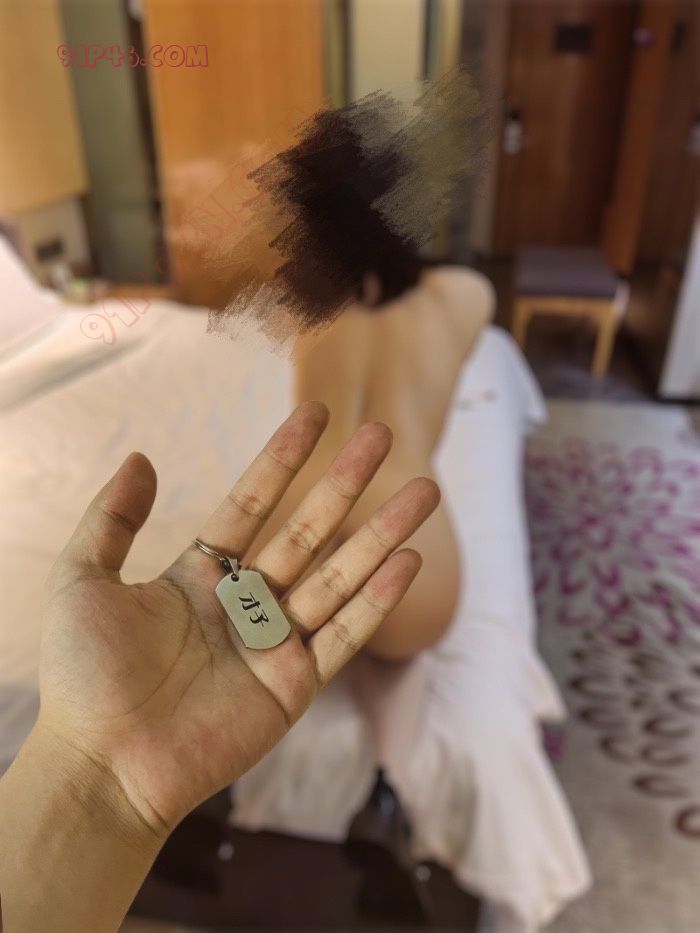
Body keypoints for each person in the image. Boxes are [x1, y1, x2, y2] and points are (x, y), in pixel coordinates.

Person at [0, 402, 439, 932]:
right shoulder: (447, 344)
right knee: (389, 638)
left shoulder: (316, 349)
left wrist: (89, 764)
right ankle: (385, 788)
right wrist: (97, 769)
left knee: (319, 575)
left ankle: (246, 799)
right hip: (407, 477)